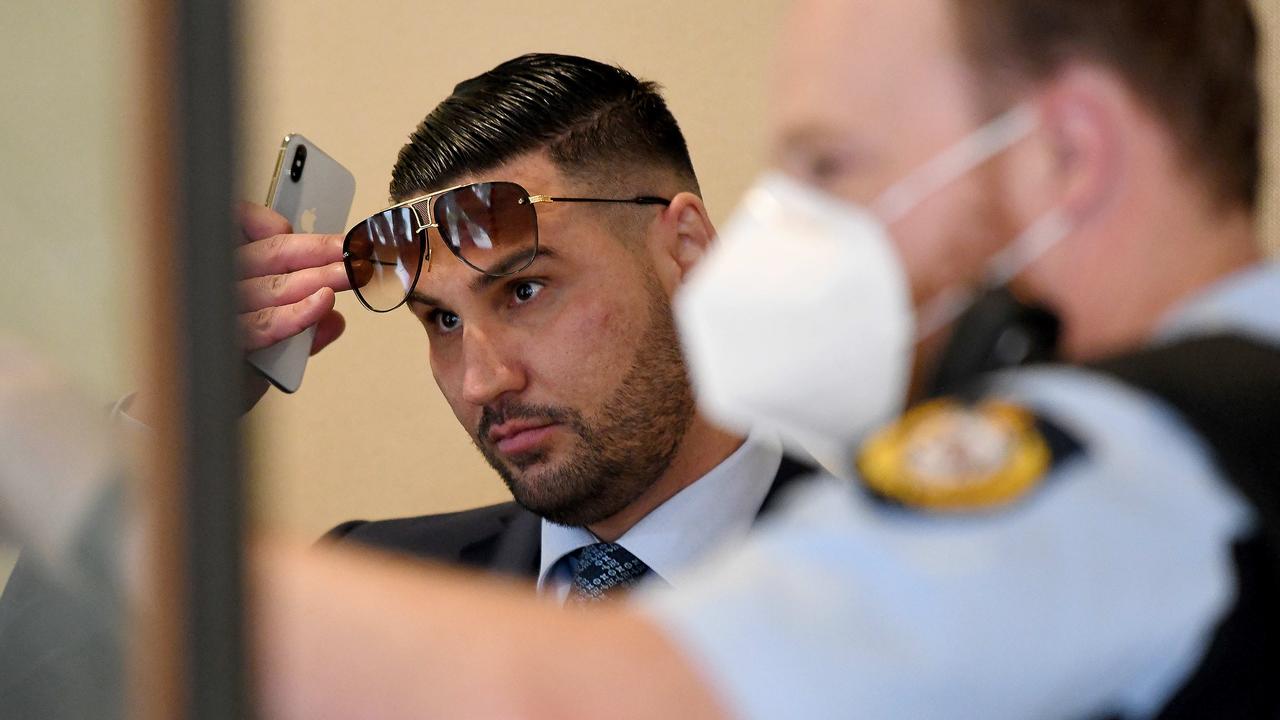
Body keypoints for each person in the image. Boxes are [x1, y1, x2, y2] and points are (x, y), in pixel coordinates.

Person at [247, 0, 1279, 717]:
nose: (482, 378)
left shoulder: (1135, 465)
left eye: (835, 165)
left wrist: (123, 504)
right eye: (438, 322)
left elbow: (591, 698)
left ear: (1068, 155)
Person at [136, 53, 818, 599]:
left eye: (525, 289)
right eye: (441, 319)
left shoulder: (904, 576)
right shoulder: (379, 590)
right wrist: (170, 415)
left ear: (687, 250)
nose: (482, 379)